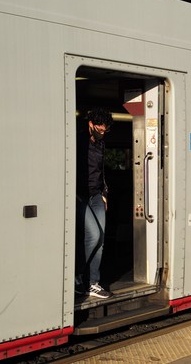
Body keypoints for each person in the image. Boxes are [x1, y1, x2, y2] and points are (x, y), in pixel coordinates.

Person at [76, 108, 114, 299]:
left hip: (96, 195)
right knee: (93, 234)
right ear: (90, 124)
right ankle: (76, 275)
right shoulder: (78, 140)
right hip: (79, 195)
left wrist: (104, 192)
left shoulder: (101, 143)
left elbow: (101, 170)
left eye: (105, 130)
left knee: (101, 240)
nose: (102, 133)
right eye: (99, 129)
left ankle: (92, 283)